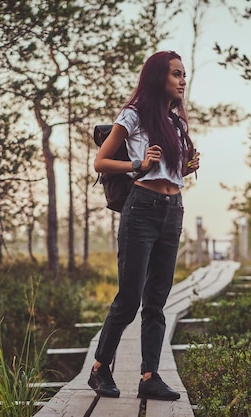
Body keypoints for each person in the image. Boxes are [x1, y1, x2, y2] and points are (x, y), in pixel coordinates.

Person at [89, 50, 200, 401]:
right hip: (142, 209)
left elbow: (169, 172)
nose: (183, 80)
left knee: (157, 301)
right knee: (130, 298)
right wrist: (137, 162)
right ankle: (99, 369)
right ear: (158, 78)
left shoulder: (176, 122)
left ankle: (149, 377)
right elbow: (100, 161)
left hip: (173, 209)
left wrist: (186, 166)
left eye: (184, 75)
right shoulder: (133, 115)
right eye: (177, 74)